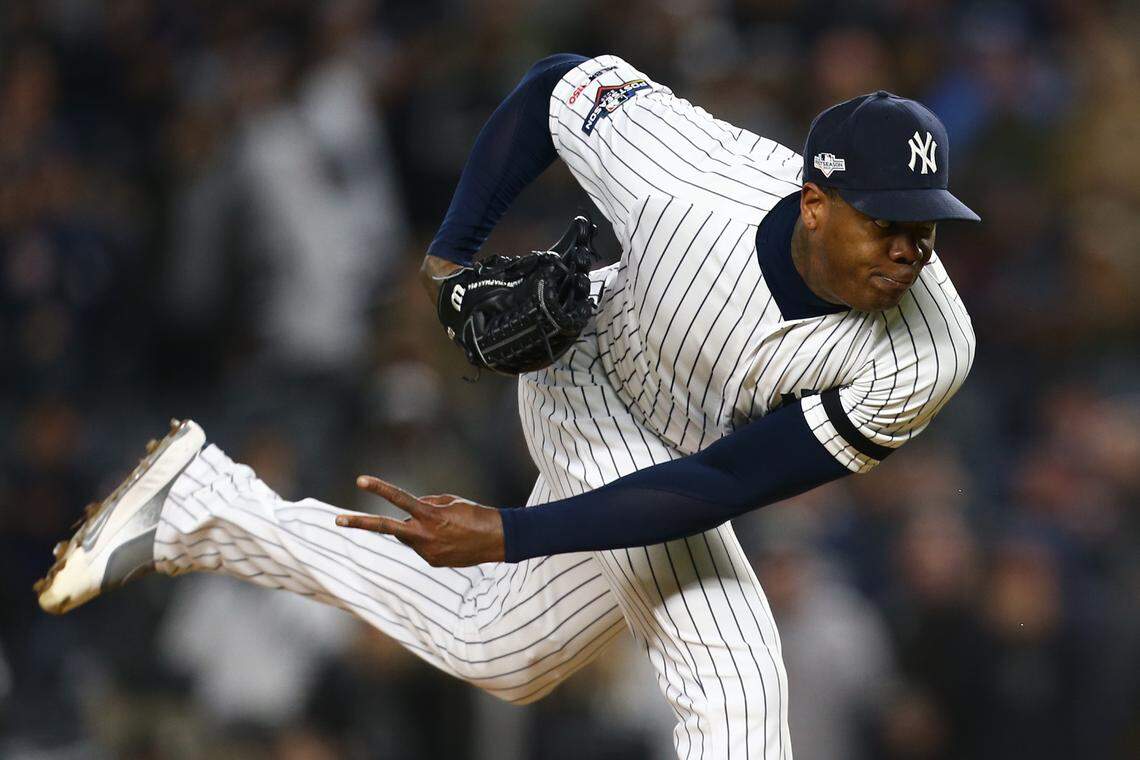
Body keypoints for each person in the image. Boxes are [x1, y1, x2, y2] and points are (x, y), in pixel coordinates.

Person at [37, 54, 978, 759]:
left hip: (692, 461)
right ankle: (199, 505)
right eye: (887, 220)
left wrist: (510, 535)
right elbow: (555, 89)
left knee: (501, 648)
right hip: (593, 381)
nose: (911, 249)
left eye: (927, 222)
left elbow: (718, 482)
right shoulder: (683, 184)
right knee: (733, 674)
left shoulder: (933, 345)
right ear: (816, 203)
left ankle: (201, 505)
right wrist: (451, 257)